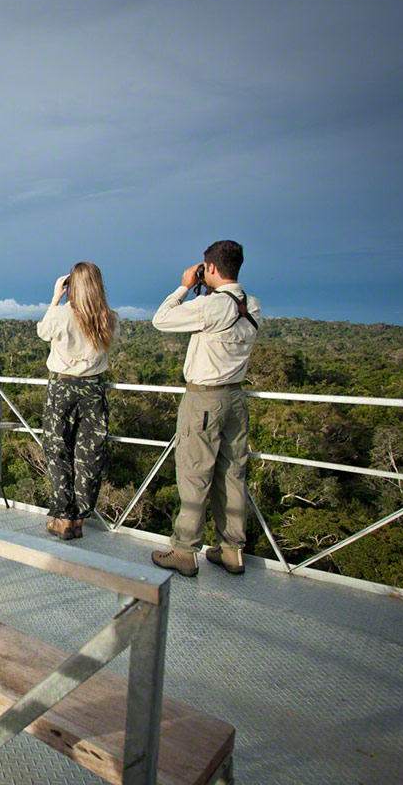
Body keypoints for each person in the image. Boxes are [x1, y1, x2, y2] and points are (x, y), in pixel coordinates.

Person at [150, 240, 261, 576]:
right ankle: (232, 550)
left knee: (194, 475)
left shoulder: (212, 307)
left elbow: (161, 320)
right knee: (232, 474)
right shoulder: (252, 305)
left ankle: (184, 551)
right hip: (235, 399)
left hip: (204, 399)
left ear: (210, 268)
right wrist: (205, 293)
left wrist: (184, 287)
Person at [36, 262, 118, 541]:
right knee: (89, 455)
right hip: (93, 389)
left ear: (73, 285)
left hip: (62, 386)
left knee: (57, 450)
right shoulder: (108, 317)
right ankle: (79, 518)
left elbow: (42, 332)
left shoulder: (61, 315)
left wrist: (56, 297)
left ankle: (63, 518)